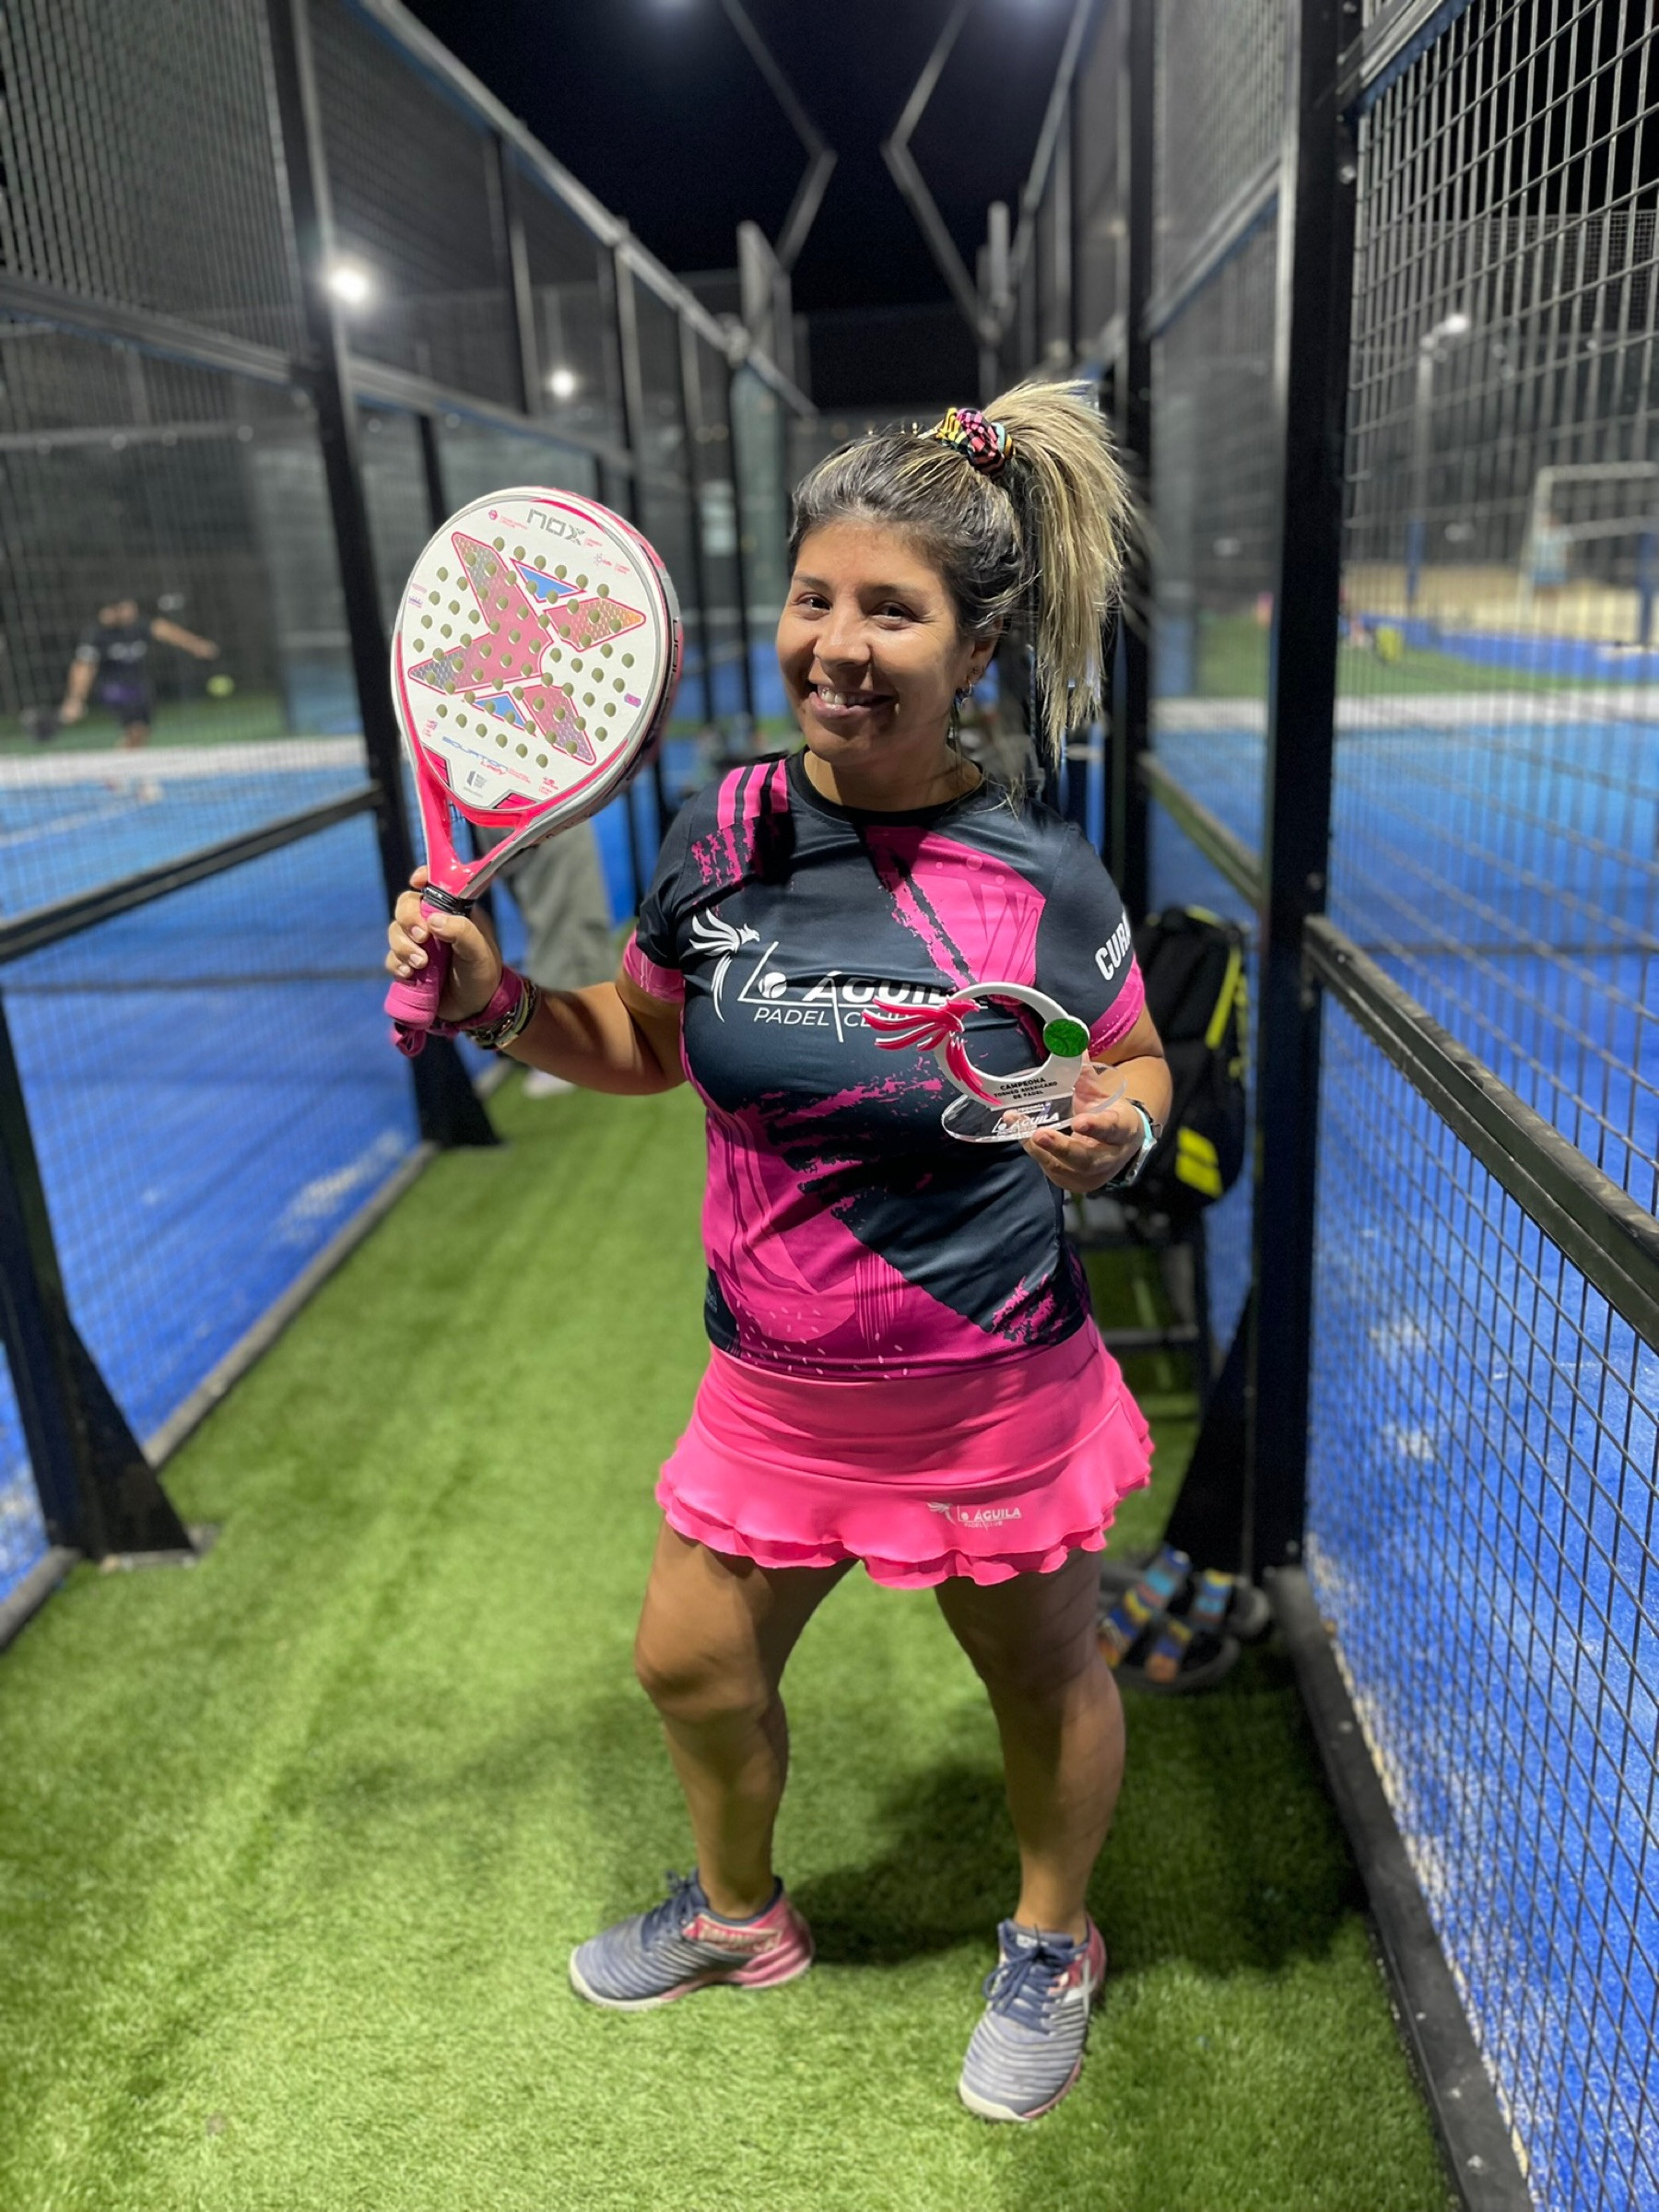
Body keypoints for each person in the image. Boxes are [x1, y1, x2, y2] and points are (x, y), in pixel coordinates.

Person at [385, 384, 1171, 2124]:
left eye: (893, 611)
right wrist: (497, 1003)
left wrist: (1116, 1128)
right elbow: (645, 1040)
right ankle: (741, 1919)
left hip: (990, 1385)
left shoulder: (1041, 870)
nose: (839, 645)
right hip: (775, 1387)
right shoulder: (725, 832)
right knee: (691, 1663)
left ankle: (1053, 1941)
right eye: (817, 598)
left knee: (1043, 1676)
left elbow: (1131, 1059)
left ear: (976, 650)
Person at [57, 595, 219, 748]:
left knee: (141, 734)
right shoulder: (96, 633)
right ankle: (120, 766)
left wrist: (197, 645)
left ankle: (123, 763)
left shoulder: (139, 625)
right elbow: (83, 668)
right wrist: (75, 699)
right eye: (125, 608)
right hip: (113, 688)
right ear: (112, 611)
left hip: (139, 685)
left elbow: (166, 631)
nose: (131, 612)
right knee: (135, 728)